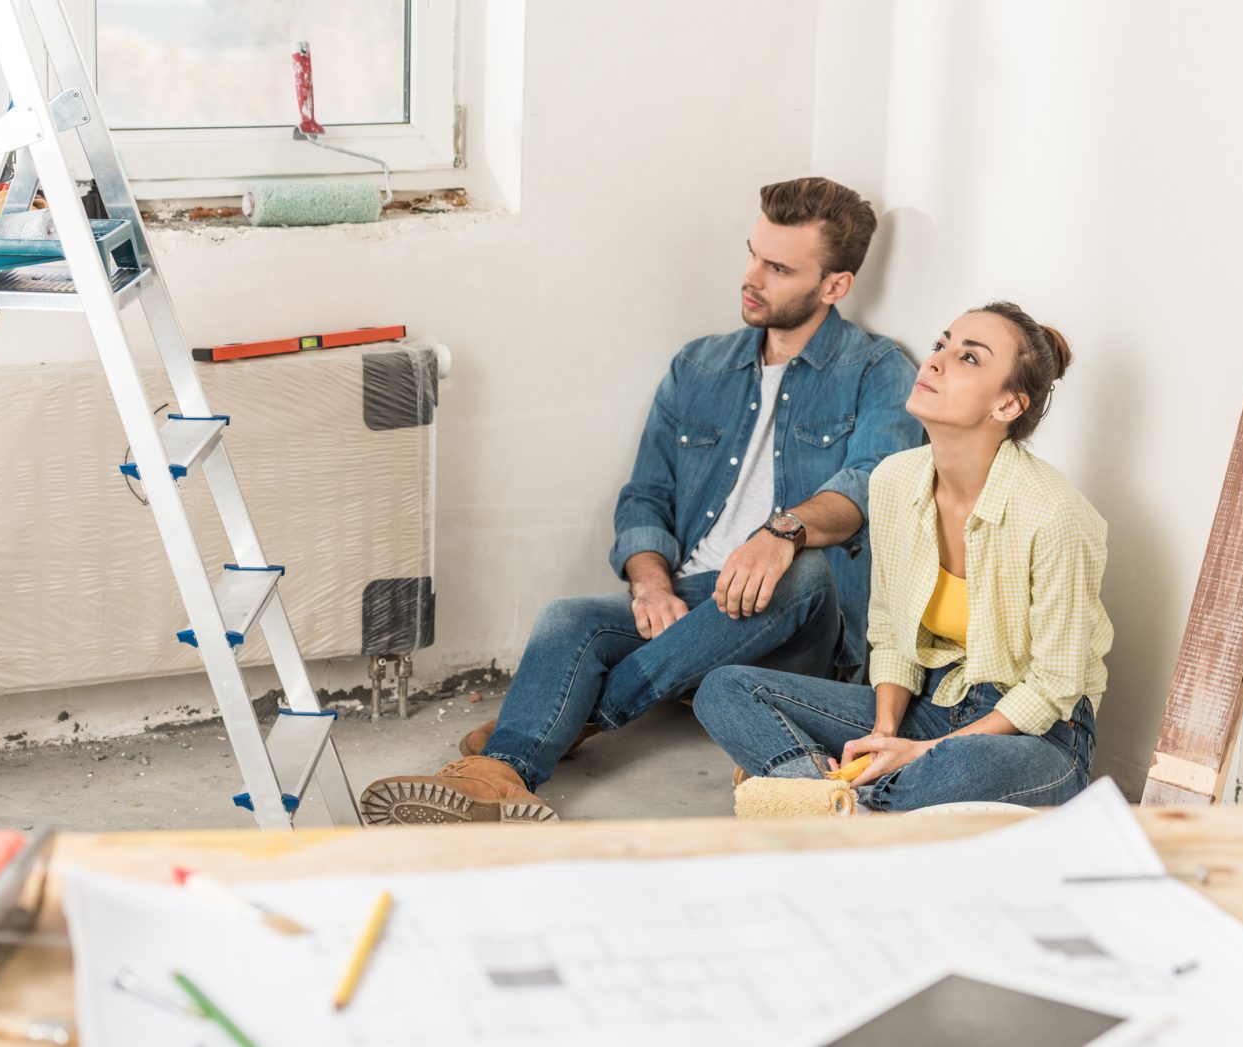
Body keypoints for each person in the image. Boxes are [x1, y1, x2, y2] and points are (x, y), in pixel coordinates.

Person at [359, 177, 920, 824]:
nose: (751, 277)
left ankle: (577, 716)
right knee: (572, 618)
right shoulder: (699, 367)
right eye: (752, 254)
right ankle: (500, 777)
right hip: (696, 604)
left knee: (806, 570)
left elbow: (867, 487)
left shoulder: (880, 372)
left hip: (798, 628)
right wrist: (651, 584)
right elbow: (645, 497)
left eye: (778, 267)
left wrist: (783, 531)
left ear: (834, 286)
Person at [694, 301, 1112, 810]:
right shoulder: (894, 480)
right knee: (725, 690)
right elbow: (891, 630)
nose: (935, 360)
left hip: (1038, 735)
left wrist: (921, 753)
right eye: (942, 344)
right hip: (930, 702)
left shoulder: (1055, 514)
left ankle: (813, 793)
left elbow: (1055, 686)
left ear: (1007, 405)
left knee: (959, 767)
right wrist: (885, 733)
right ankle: (841, 803)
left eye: (969, 358)